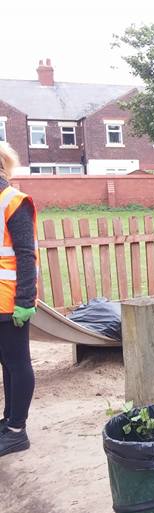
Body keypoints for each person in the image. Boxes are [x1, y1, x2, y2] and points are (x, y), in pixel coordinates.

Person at [0, 142, 37, 458]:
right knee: (6, 363)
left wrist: (26, 299)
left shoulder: (14, 202)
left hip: (11, 300)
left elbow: (26, 254)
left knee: (17, 361)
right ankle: (8, 420)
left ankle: (17, 431)